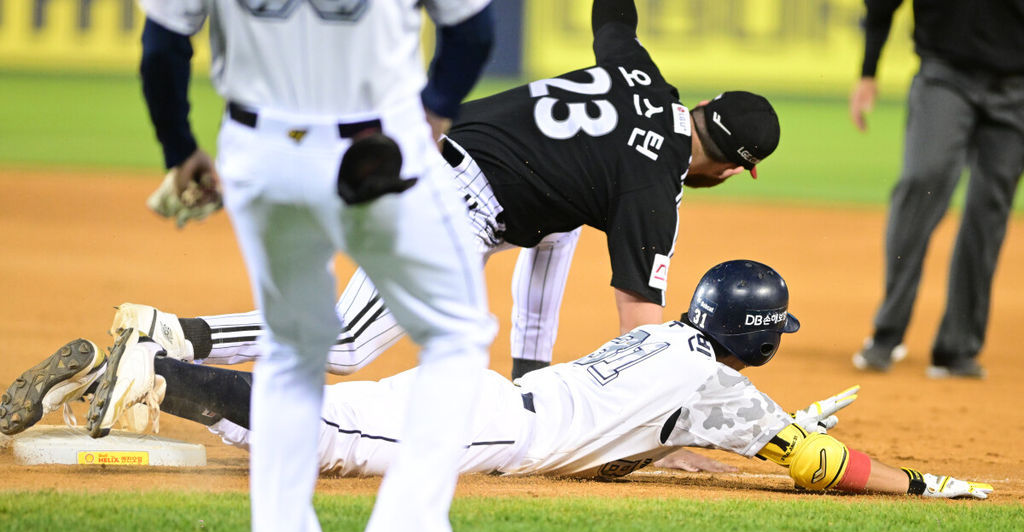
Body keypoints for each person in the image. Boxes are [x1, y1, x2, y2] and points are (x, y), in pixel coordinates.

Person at [108, 0, 779, 473]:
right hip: (452, 197)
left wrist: (531, 377)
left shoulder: (639, 74)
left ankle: (173, 337)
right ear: (736, 167)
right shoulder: (650, 189)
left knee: (550, 227)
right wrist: (661, 422)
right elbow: (645, 332)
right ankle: (170, 338)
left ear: (705, 106)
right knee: (346, 342)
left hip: (455, 167)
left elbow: (614, 16)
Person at [2, 260, 993, 503]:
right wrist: (916, 484)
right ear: (760, 336)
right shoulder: (728, 393)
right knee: (320, 437)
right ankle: (152, 370)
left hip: (480, 399)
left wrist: (718, 444)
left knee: (319, 423)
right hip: (488, 430)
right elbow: (819, 462)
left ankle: (142, 373)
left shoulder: (671, 354)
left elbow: (627, 447)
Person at [117, 0, 499, 532]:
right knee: (454, 335)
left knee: (294, 352)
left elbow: (163, 46)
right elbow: (474, 31)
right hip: (379, 146)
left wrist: (178, 146)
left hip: (260, 152)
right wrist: (432, 113)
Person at [850, 0, 1024, 378]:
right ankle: (887, 333)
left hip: (1018, 88)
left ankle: (957, 347)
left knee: (989, 209)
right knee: (921, 183)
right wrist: (868, 72)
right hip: (945, 75)